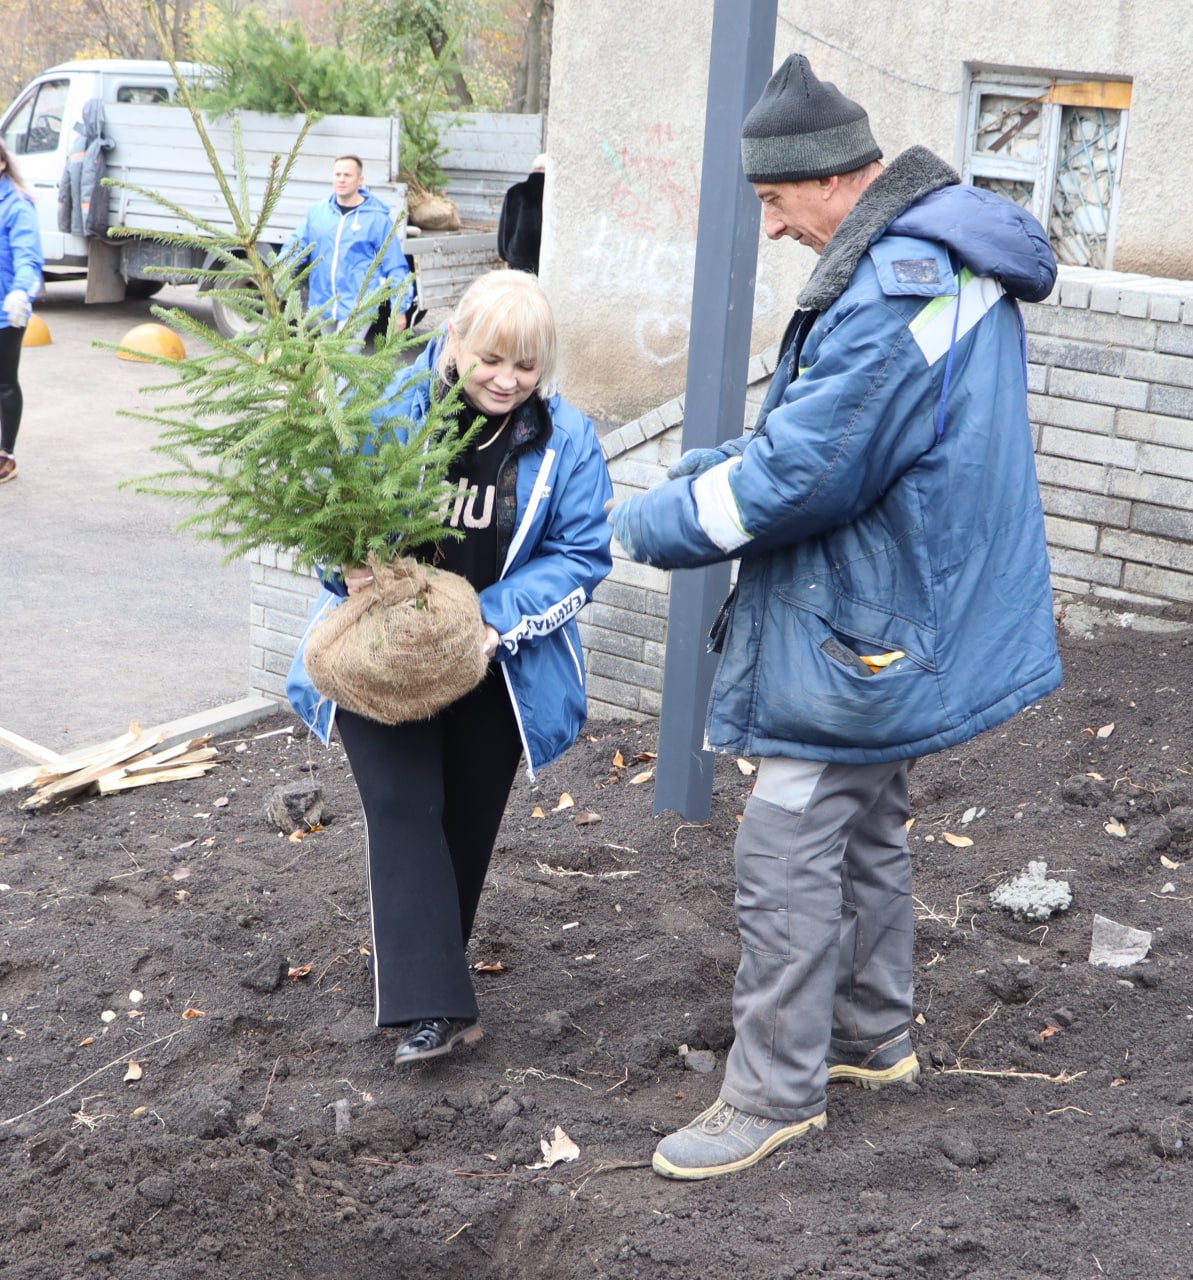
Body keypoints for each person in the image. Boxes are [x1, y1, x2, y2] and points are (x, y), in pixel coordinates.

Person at [606, 53, 1061, 1181]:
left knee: (786, 838)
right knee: (863, 820)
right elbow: (826, 437)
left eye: (772, 202)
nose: (767, 229)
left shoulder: (892, 284)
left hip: (860, 620)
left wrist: (639, 524)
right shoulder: (933, 263)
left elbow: (800, 477)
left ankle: (770, 1093)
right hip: (901, 603)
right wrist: (716, 460)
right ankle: (869, 1033)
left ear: (832, 182)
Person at [287, 270, 613, 1063]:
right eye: (491, 358)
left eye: (526, 366)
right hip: (380, 654)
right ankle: (432, 1009)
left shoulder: (566, 440)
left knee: (463, 827)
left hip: (490, 665)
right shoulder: (385, 411)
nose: (506, 380)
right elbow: (327, 514)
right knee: (403, 809)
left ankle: (435, 971)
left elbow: (580, 555)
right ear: (455, 341)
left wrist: (489, 624)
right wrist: (349, 569)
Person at [282, 153, 414, 336]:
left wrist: (399, 309)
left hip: (357, 308)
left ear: (360, 180)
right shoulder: (318, 213)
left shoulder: (376, 219)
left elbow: (395, 265)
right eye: (337, 175)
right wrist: (279, 268)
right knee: (327, 359)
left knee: (343, 359)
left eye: (347, 175)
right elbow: (296, 244)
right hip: (323, 303)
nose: (341, 180)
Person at [0, 140, 44, 485]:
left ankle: (6, 456)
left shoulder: (17, 205)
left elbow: (29, 259)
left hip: (6, 313)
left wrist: (20, 293)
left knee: (4, 383)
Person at [497, 153, 546, 275]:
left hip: (517, 258)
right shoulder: (553, 194)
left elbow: (505, 228)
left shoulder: (515, 191)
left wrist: (504, 255)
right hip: (543, 260)